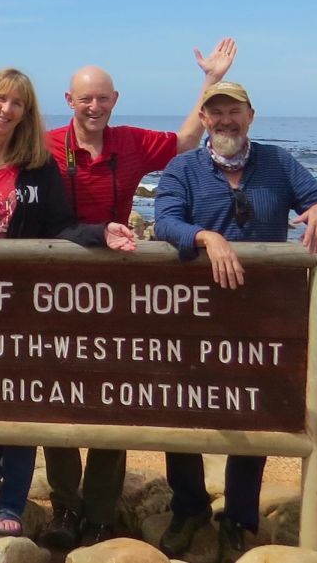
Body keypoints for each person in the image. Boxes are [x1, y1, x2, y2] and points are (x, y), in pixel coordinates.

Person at [39, 37, 238, 548]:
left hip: (116, 286)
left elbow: (187, 140)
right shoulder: (45, 144)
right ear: (69, 101)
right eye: (85, 98)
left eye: (102, 98)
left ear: (115, 100)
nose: (94, 106)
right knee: (55, 394)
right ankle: (64, 506)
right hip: (55, 286)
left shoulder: (129, 142)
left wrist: (211, 81)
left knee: (112, 393)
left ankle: (102, 512)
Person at [0, 68, 136, 537]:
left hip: (21, 304)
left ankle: (13, 504)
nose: (6, 109)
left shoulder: (38, 166)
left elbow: (60, 226)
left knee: (18, 398)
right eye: (0, 100)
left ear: (26, 112)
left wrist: (102, 232)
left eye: (17, 103)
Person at [153, 81, 317, 562]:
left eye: (233, 111)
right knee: (183, 409)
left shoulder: (278, 162)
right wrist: (206, 238)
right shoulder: (184, 168)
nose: (224, 121)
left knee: (252, 410)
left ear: (250, 115)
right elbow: (164, 220)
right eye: (215, 112)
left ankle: (238, 518)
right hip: (193, 315)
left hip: (263, 316)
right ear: (204, 118)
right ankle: (189, 507)